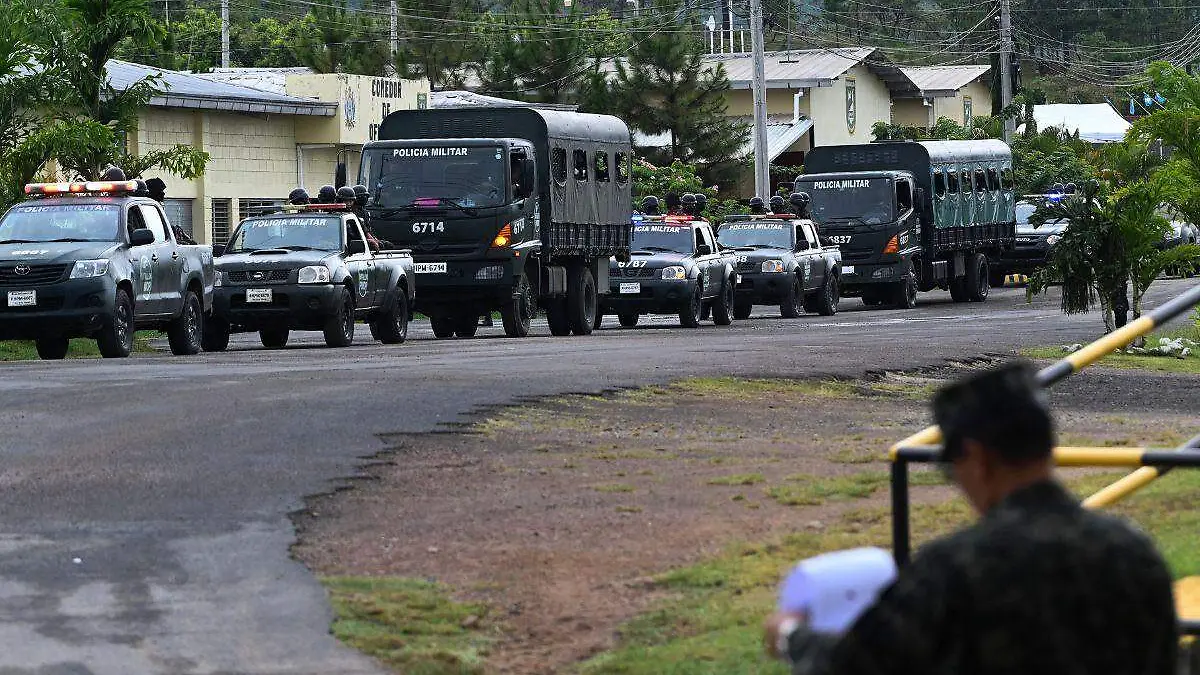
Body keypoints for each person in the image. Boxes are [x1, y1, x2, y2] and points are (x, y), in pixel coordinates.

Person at [765, 360, 1178, 675]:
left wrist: (790, 635)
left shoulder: (955, 569)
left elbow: (854, 664)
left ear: (977, 459)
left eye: (951, 466)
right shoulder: (1134, 552)